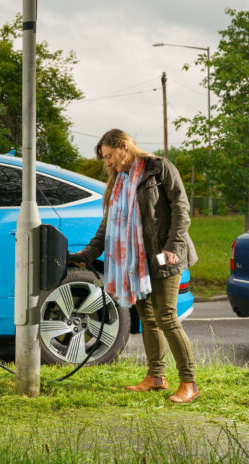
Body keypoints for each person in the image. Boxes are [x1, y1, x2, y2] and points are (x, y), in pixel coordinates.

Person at [72, 129, 199, 403]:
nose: (107, 162)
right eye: (104, 158)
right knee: (148, 317)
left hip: (165, 254)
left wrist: (172, 247)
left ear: (124, 146)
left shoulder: (159, 168)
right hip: (136, 262)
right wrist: (89, 253)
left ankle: (189, 383)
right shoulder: (120, 180)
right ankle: (156, 376)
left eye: (109, 155)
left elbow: (181, 208)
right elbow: (109, 224)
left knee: (166, 316)